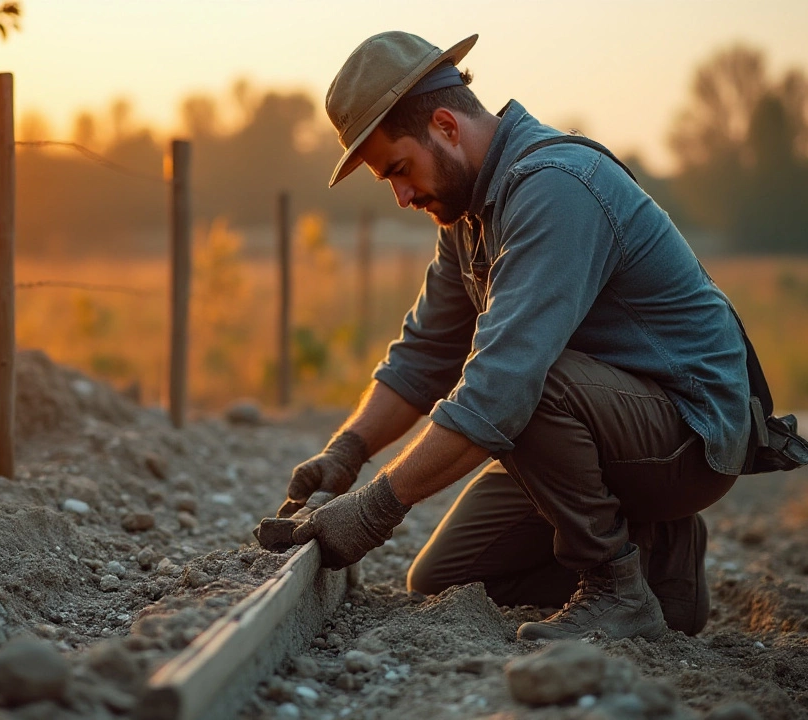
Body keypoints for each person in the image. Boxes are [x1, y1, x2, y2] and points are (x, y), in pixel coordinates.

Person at [278, 30, 751, 642]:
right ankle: (659, 565)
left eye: (399, 169)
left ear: (446, 126)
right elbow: (425, 355)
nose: (400, 197)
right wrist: (347, 450)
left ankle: (615, 586)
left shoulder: (556, 187)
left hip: (690, 434)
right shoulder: (469, 211)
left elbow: (502, 388)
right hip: (606, 423)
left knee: (526, 377)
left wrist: (373, 510)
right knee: (444, 577)